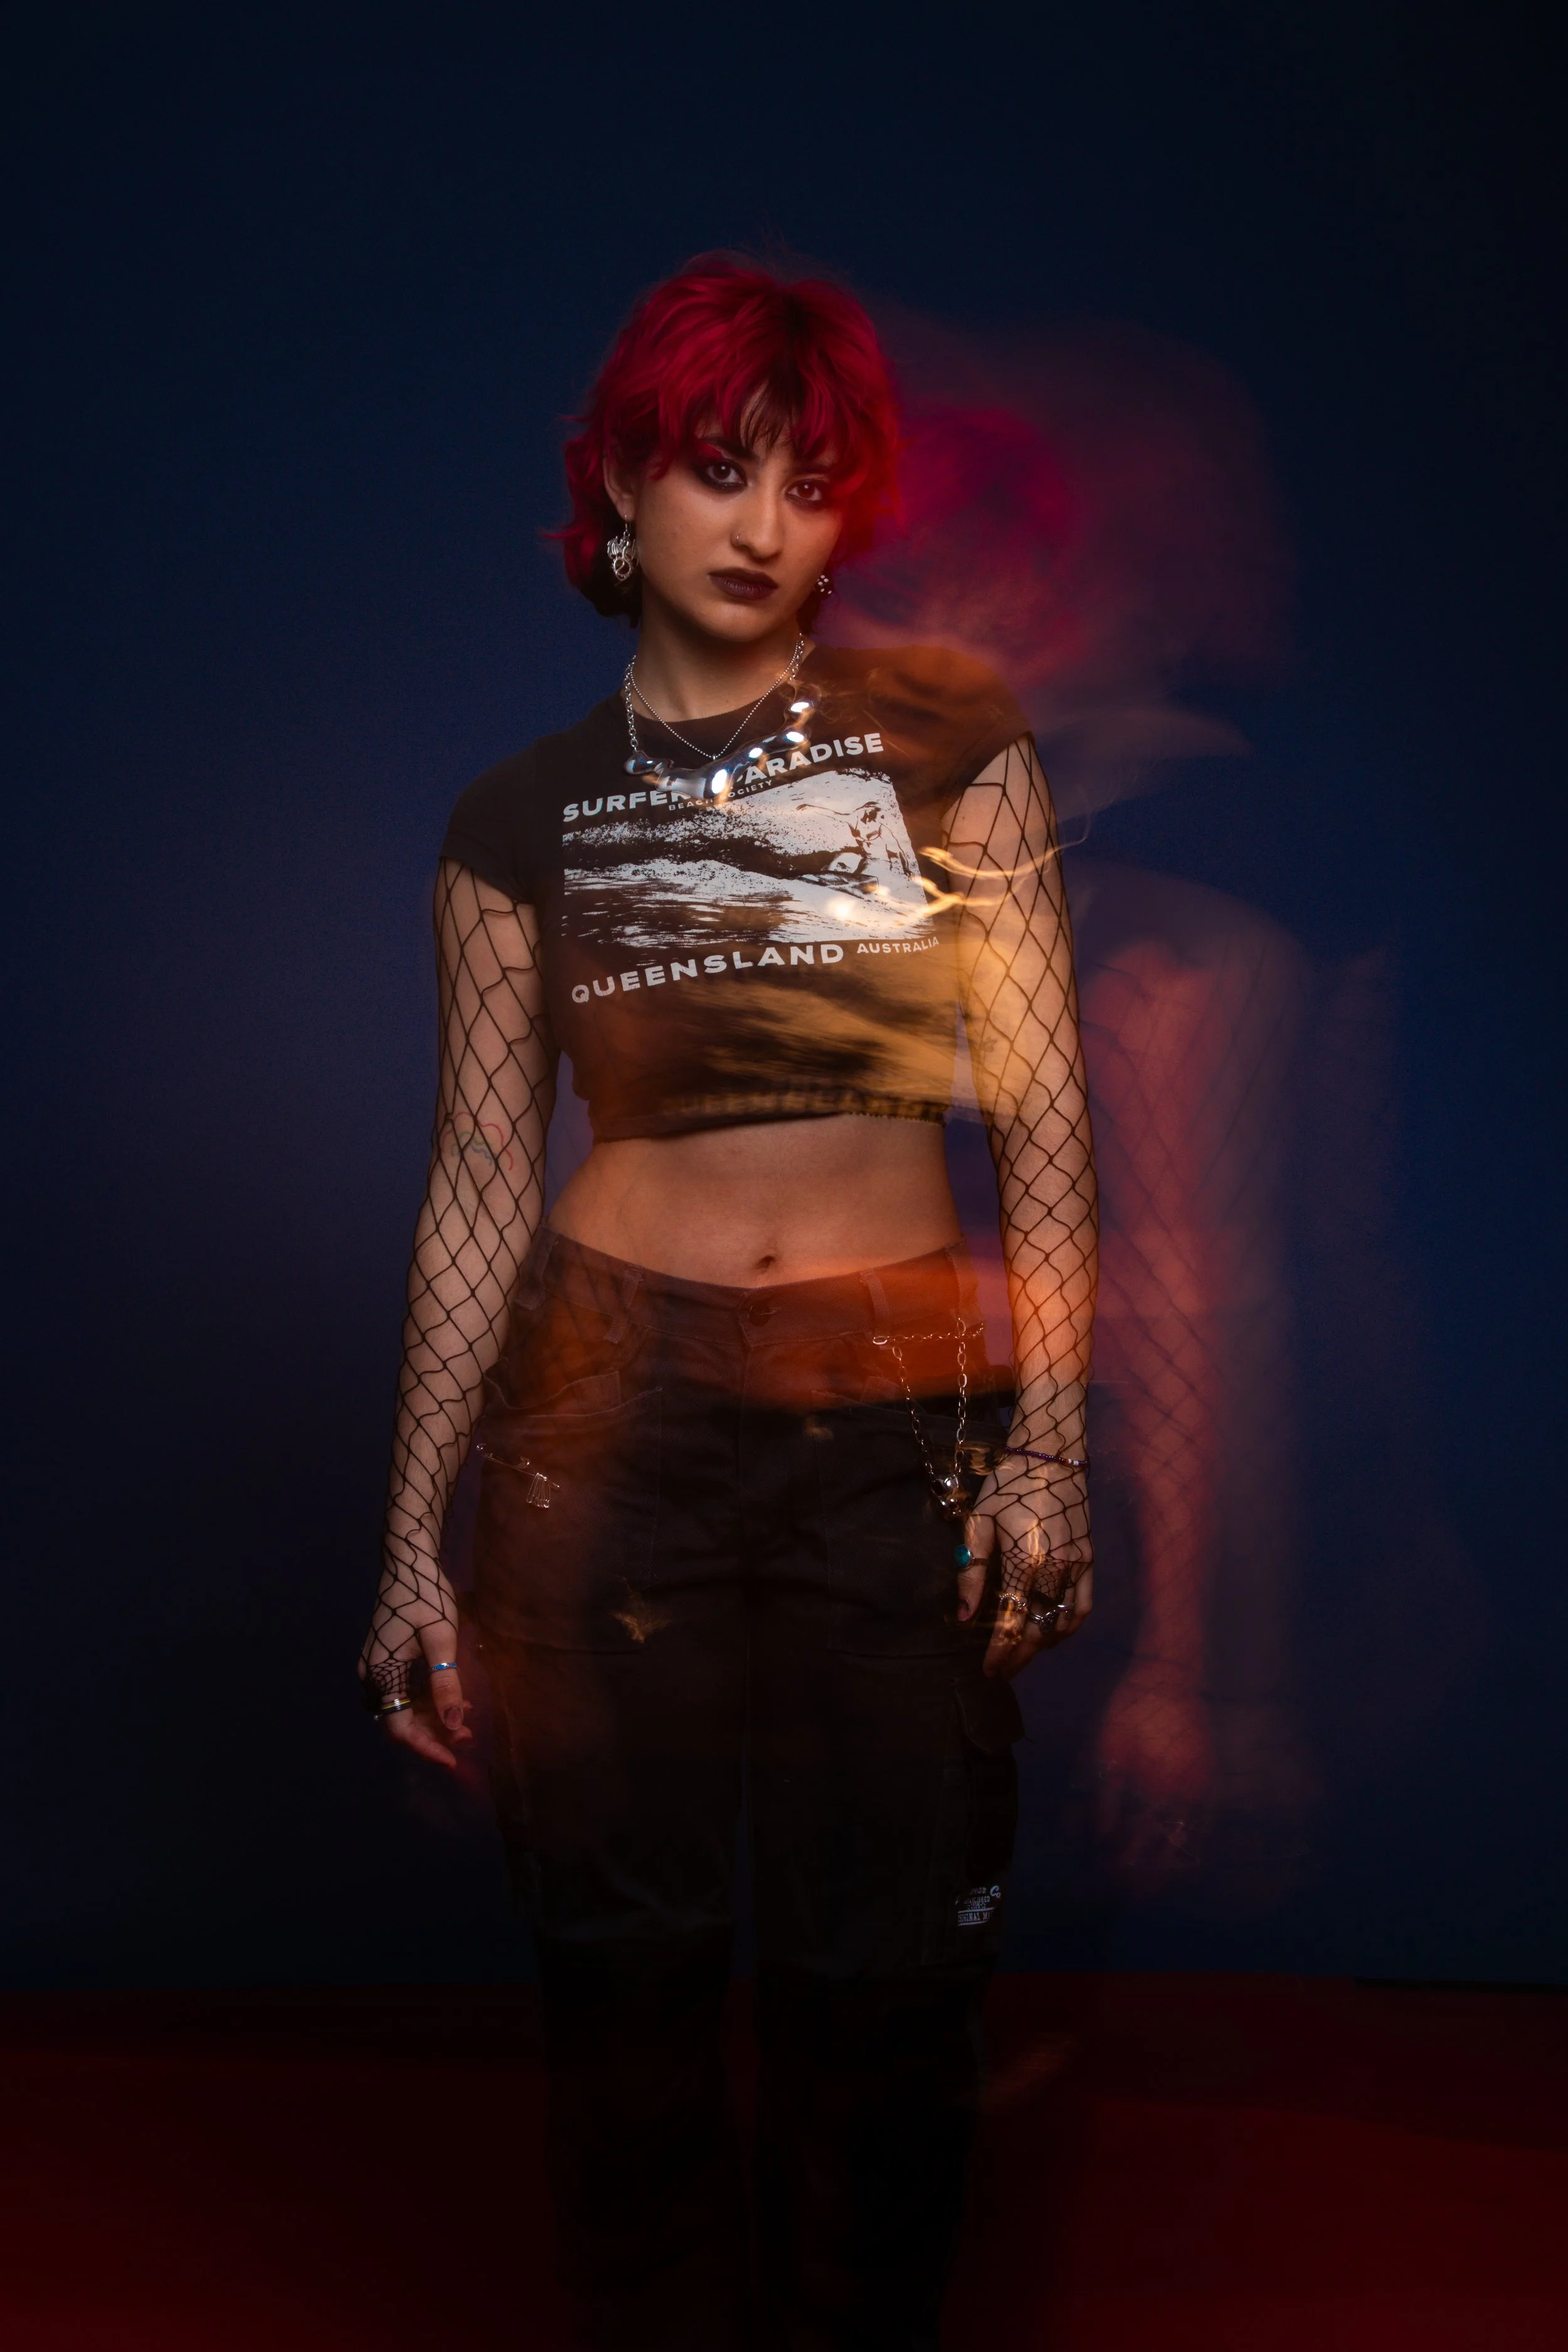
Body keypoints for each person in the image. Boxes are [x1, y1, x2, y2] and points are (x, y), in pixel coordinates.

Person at [359, 255, 1098, 2352]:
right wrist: (409, 1535)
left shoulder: (947, 739)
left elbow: (1043, 1114)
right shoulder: (516, 824)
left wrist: (1047, 1443)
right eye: (713, 467)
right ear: (618, 486)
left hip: (894, 1428)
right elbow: (477, 1189)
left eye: (808, 476)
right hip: (609, 1435)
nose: (763, 522)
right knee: (626, 1988)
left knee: (890, 1994)